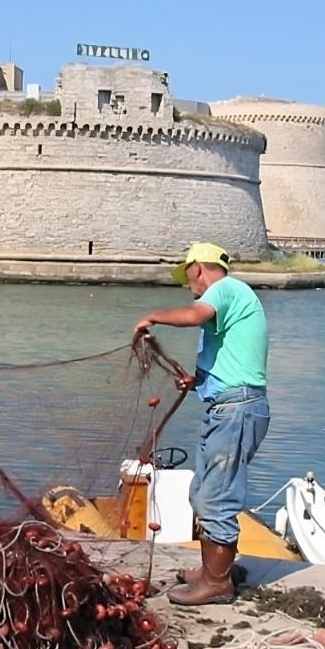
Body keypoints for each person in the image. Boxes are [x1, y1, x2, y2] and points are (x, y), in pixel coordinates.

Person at [133, 243, 270, 605]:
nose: (188, 285)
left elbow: (194, 315)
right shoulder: (231, 300)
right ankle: (211, 571)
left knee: (217, 495)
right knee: (201, 493)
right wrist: (198, 381)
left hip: (237, 410)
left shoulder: (225, 289)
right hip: (225, 406)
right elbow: (233, 358)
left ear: (198, 269)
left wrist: (153, 316)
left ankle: (218, 584)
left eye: (187, 277)